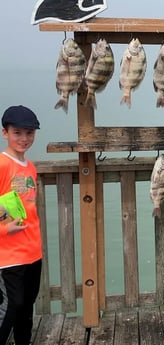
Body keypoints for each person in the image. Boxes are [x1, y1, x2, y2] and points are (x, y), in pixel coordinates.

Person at [0, 105, 42, 345]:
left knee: (26, 309)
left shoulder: (30, 168)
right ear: (5, 133)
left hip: (32, 252)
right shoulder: (2, 164)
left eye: (29, 133)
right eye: (17, 133)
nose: (24, 139)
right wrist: (6, 229)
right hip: (8, 256)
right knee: (10, 308)